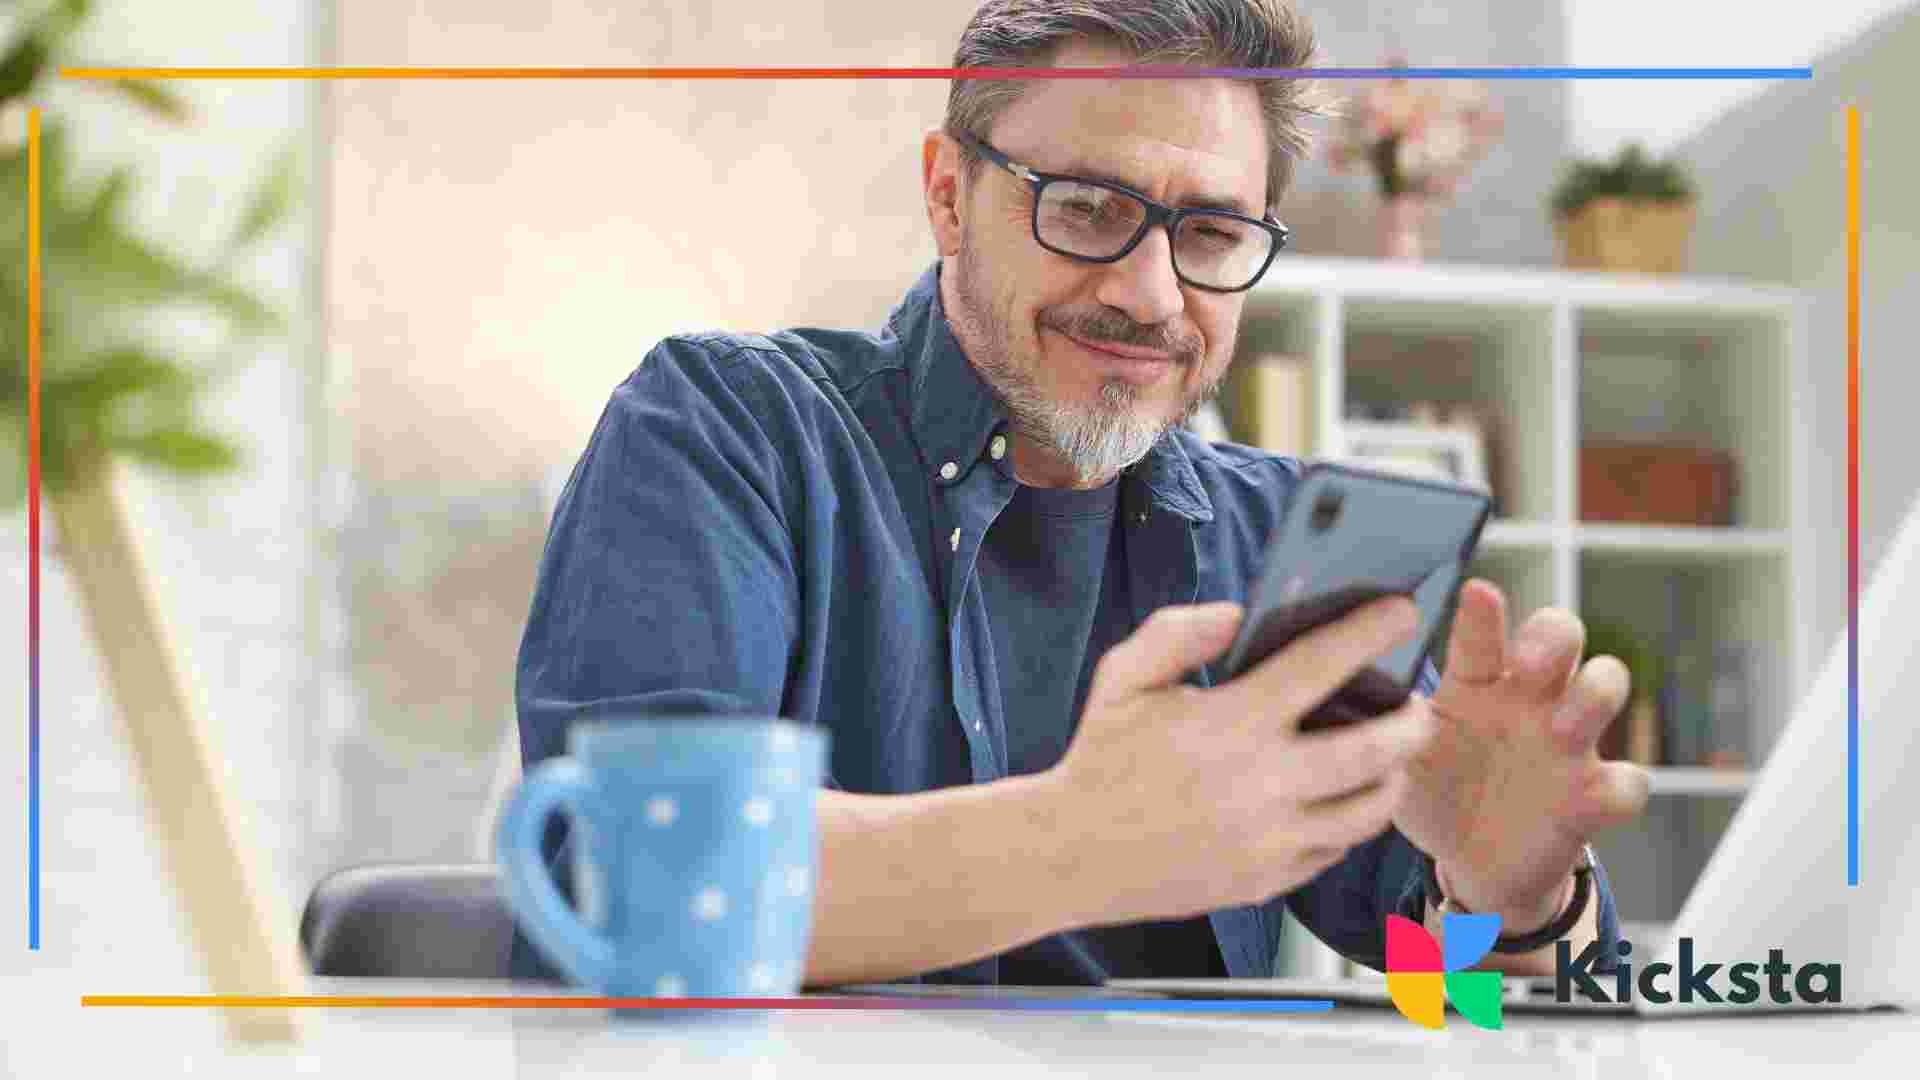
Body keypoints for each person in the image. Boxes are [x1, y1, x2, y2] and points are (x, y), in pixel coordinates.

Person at [514, 0, 1650, 988]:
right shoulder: (727, 430)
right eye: (1088, 209)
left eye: (1209, 233)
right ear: (949, 196)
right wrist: (1084, 840)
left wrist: (1515, 895)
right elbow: (638, 888)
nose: (1150, 294)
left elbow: (1455, 988)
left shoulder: (1283, 538)